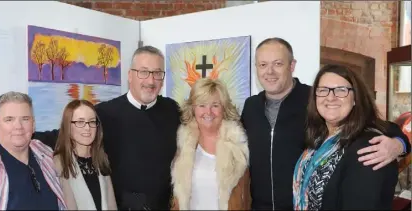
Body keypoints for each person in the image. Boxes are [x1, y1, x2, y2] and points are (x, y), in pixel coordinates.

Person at [240, 37, 410, 210]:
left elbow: (383, 128)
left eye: (277, 64)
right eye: (263, 65)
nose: (269, 71)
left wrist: (399, 144)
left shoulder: (315, 99)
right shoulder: (251, 106)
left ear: (291, 66)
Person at [33, 45, 181, 210]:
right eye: (144, 72)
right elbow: (62, 135)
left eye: (157, 73)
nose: (151, 80)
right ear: (130, 75)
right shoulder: (106, 113)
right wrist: (18, 135)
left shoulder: (173, 111)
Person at [293, 64, 398, 210]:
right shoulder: (319, 137)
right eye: (323, 90)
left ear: (356, 98)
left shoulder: (369, 147)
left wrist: (400, 144)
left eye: (341, 90)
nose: (331, 97)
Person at [170, 78, 251, 210]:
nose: (208, 112)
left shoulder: (239, 145)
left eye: (215, 105)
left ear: (224, 108)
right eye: (202, 105)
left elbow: (246, 198)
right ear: (192, 109)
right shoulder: (182, 143)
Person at [53, 99, 117, 210]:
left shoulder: (101, 159)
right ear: (68, 126)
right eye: (80, 122)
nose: (87, 128)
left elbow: (111, 205)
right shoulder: (58, 163)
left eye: (92, 121)